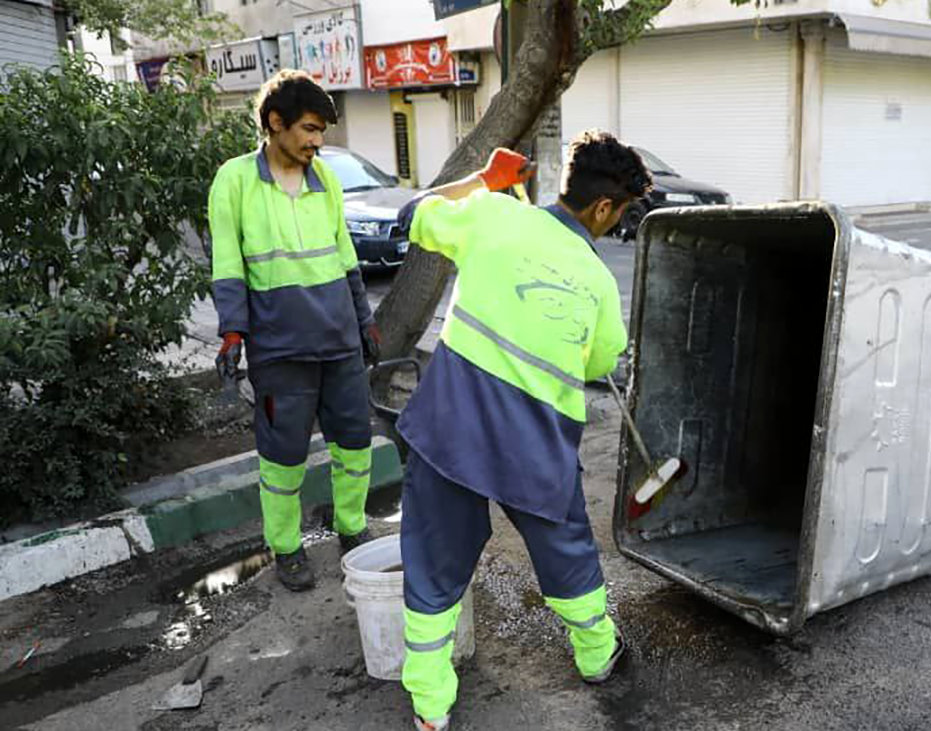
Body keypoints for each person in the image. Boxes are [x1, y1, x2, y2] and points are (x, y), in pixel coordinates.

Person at [395, 131, 651, 731]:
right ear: (604, 208)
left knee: (432, 562)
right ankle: (596, 656)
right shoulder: (597, 283)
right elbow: (597, 365)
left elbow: (416, 216)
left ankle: (431, 708)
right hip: (534, 442)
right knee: (566, 552)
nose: (618, 226)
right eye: (623, 214)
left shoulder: (490, 214)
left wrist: (482, 178)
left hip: (450, 426)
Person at [208, 70, 382, 591]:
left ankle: (351, 529)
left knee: (354, 445)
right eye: (308, 129)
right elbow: (227, 262)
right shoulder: (235, 181)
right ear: (274, 123)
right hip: (280, 349)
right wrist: (232, 332)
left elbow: (345, 256)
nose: (316, 141)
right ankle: (286, 548)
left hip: (339, 342)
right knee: (283, 458)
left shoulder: (324, 178)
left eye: (321, 131)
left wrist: (365, 320)